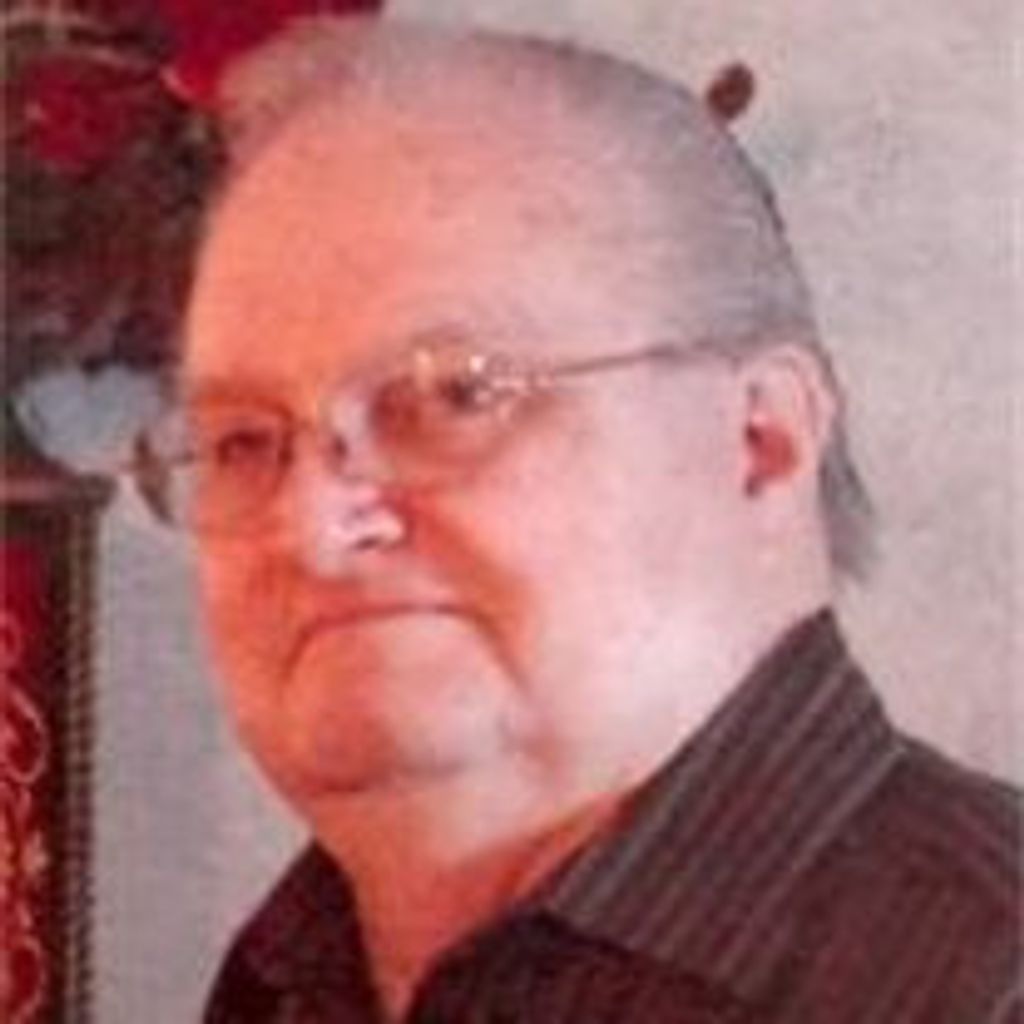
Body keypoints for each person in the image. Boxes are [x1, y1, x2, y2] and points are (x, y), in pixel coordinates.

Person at [133, 16, 1021, 1023]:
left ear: (761, 441)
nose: (313, 525)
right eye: (243, 442)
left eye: (457, 396)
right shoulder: (284, 981)